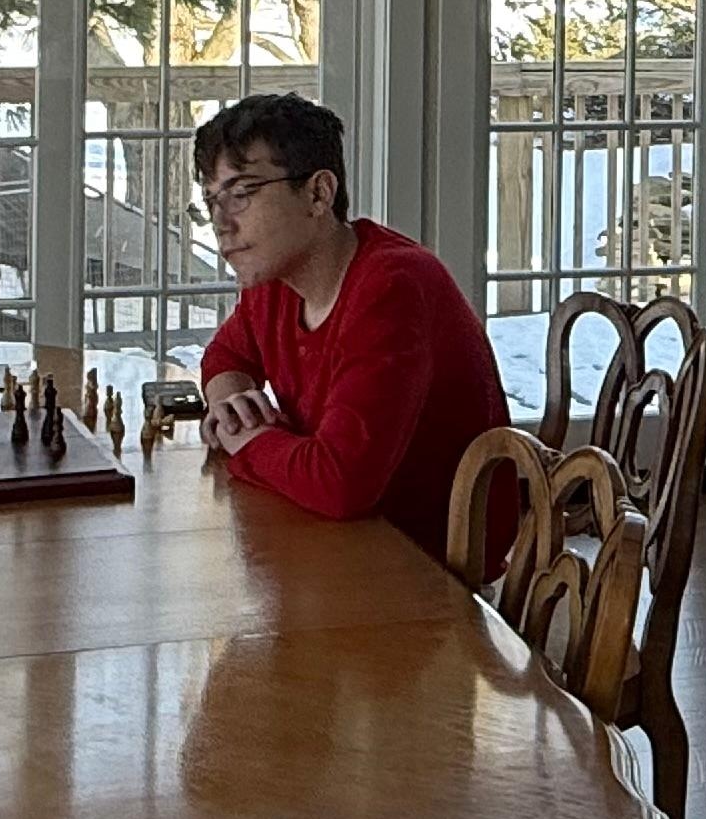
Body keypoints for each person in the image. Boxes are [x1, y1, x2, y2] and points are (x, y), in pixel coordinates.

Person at [193, 93, 507, 561]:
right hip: (342, 541)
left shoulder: (392, 286)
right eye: (210, 199)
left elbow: (339, 483)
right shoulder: (275, 278)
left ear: (319, 193)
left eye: (241, 193)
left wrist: (244, 440)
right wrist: (232, 408)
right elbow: (227, 357)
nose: (220, 223)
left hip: (429, 569)